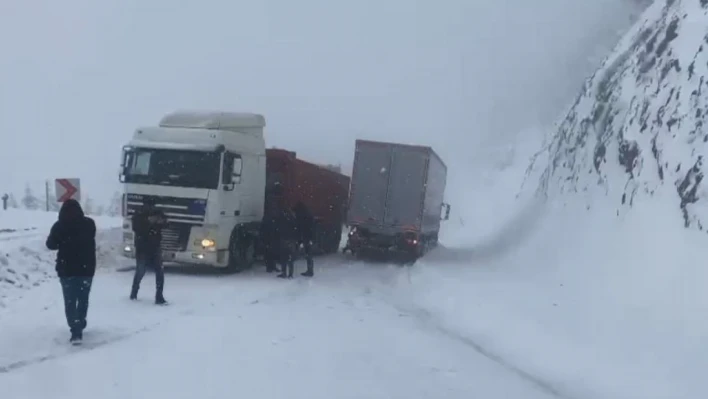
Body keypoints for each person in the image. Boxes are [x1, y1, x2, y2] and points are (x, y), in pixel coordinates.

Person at [45, 199, 96, 344]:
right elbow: (91, 237)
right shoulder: (89, 224)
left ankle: (75, 329)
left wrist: (62, 239)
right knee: (83, 299)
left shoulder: (59, 226)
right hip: (86, 268)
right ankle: (80, 321)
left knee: (70, 300)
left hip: (66, 269)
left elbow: (50, 245)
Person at [130, 197, 168, 304]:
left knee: (158, 272)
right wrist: (149, 223)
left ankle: (159, 296)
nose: (150, 207)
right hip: (143, 246)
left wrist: (160, 221)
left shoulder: (157, 213)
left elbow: (166, 224)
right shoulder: (139, 214)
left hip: (154, 246)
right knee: (141, 271)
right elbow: (136, 228)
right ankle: (134, 293)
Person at [292, 201, 315, 277]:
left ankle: (310, 271)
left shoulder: (301, 216)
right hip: (308, 237)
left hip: (306, 237)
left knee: (308, 254)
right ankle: (310, 270)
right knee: (309, 255)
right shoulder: (308, 215)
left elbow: (301, 227)